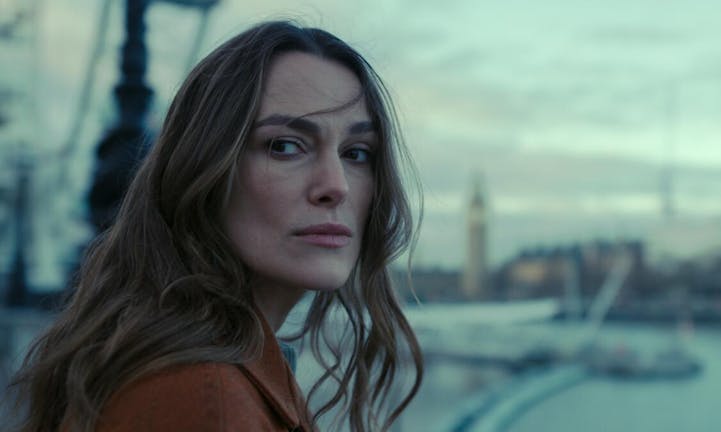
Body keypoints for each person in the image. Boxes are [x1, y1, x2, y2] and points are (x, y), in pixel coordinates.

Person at [11, 20, 423, 432]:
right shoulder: (204, 402)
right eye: (284, 146)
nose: (336, 186)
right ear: (203, 170)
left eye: (357, 153)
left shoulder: (200, 368)